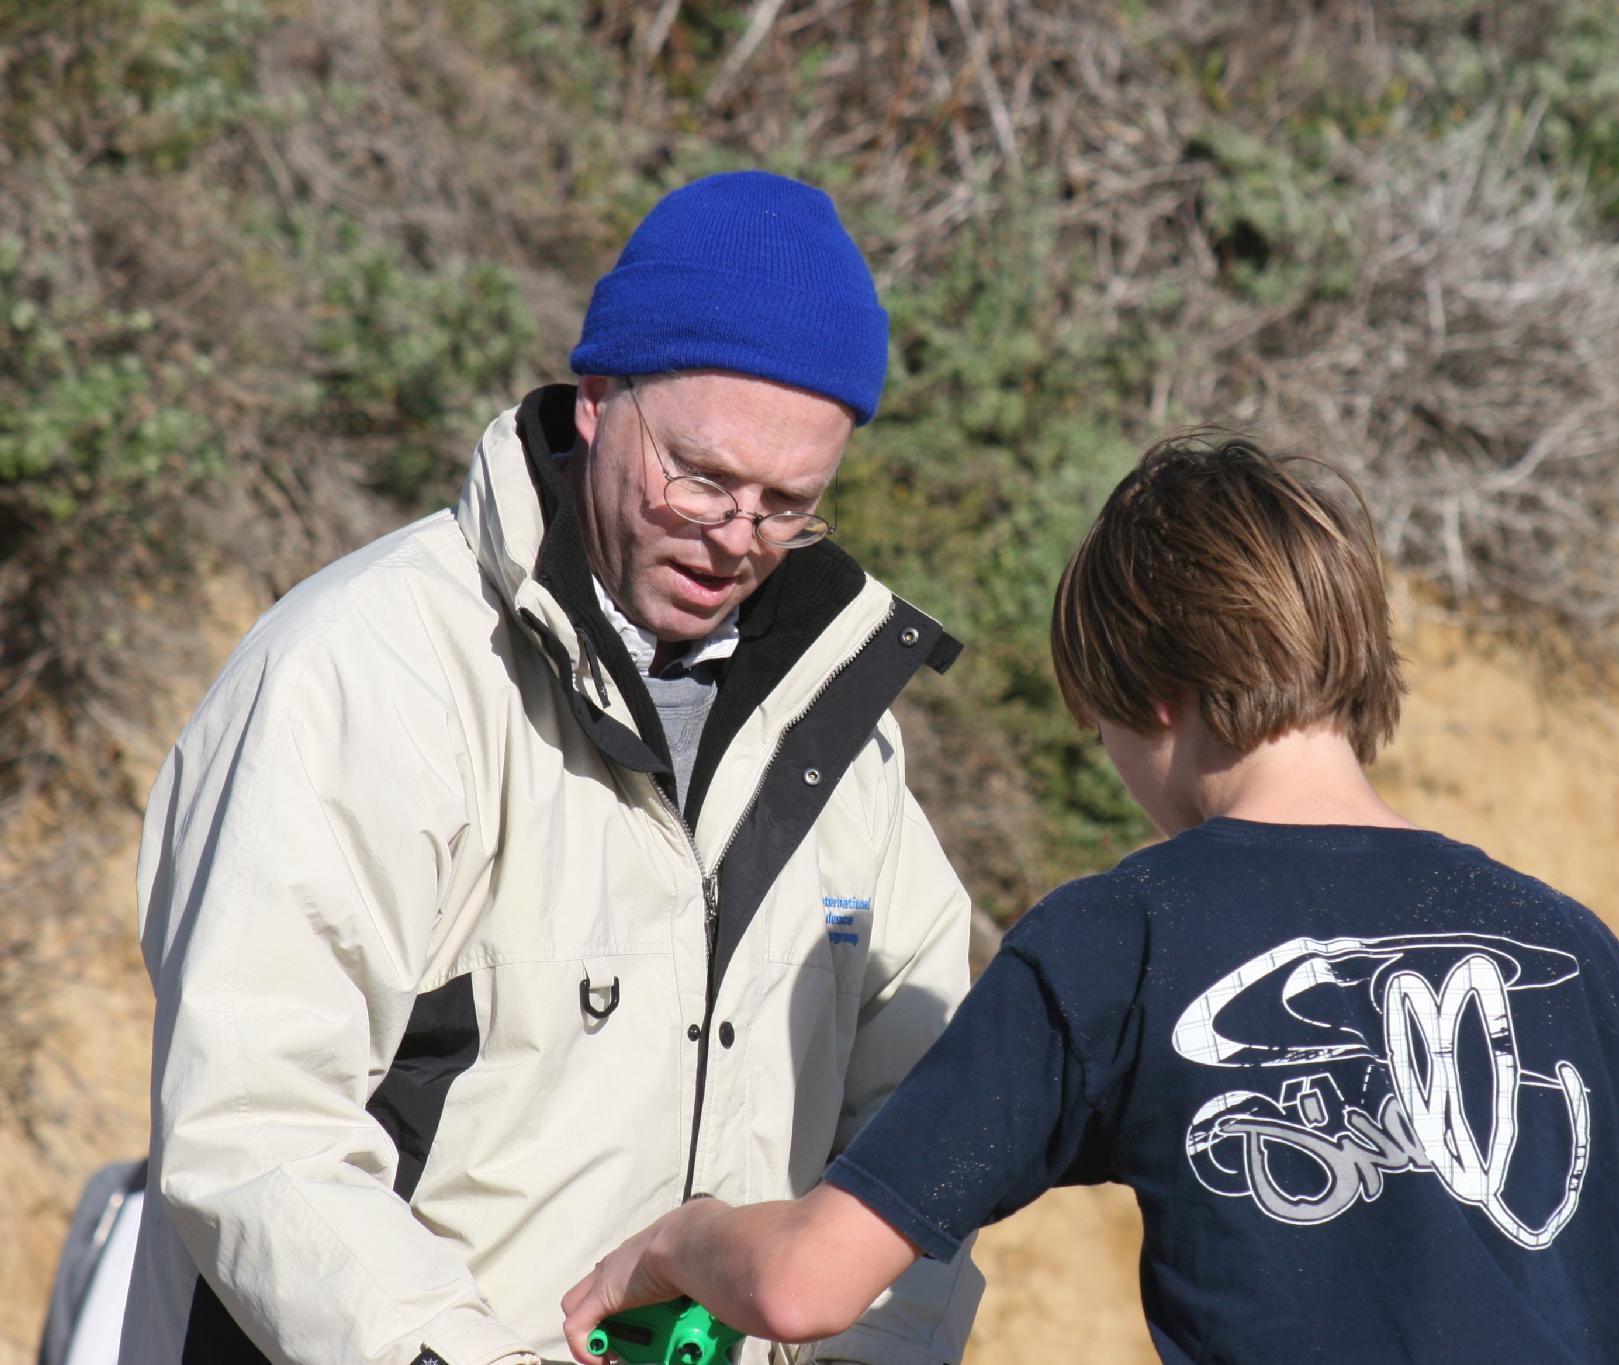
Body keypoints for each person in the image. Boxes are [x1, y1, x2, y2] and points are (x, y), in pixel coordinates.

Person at [560, 433, 1619, 1364]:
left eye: (1095, 725)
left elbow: (804, 1287)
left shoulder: (1122, 938)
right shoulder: (1567, 948)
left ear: (1151, 693)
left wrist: (677, 1239)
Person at [120, 171, 983, 1365]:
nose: (734, 537)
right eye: (699, 476)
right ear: (597, 399)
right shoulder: (365, 668)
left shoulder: (849, 740)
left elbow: (926, 1145)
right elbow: (256, 1128)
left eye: (789, 504)